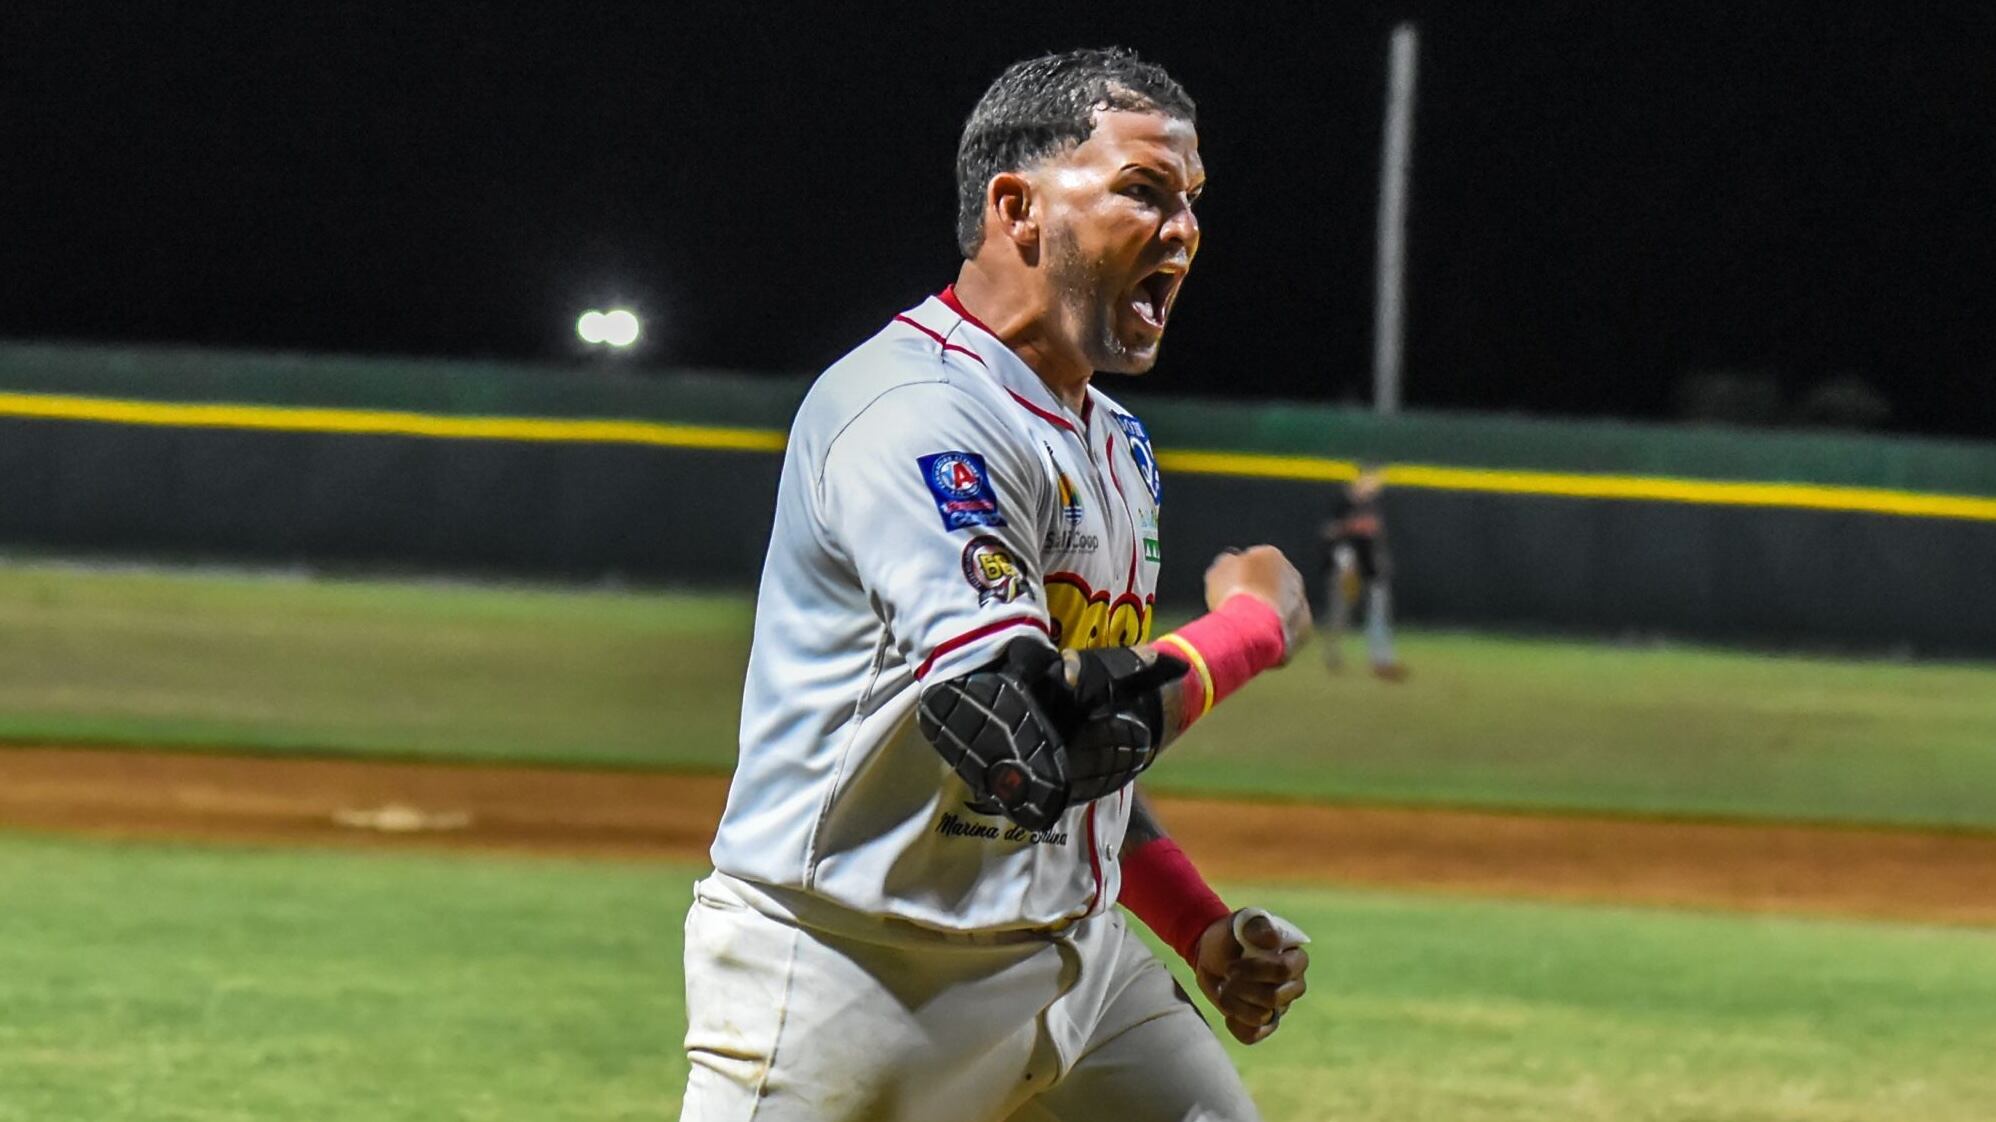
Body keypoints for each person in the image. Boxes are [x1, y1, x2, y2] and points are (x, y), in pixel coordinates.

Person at [680, 48, 1315, 1122]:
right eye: (1143, 191)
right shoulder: (912, 410)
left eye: (1192, 203)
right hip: (858, 983)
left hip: (1078, 971)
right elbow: (1028, 733)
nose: (1184, 232)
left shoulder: (1113, 442)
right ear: (1017, 208)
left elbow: (1084, 778)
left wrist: (1197, 922)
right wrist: (1253, 627)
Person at [1318, 464, 1406, 679]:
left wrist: (1381, 560)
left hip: (1372, 567)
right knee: (1341, 612)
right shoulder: (1342, 503)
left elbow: (1377, 537)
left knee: (1378, 611)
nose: (1375, 486)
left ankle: (1382, 659)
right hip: (1346, 566)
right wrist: (1350, 528)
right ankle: (1333, 651)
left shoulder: (1374, 505)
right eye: (1371, 481)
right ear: (1360, 480)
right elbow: (1328, 532)